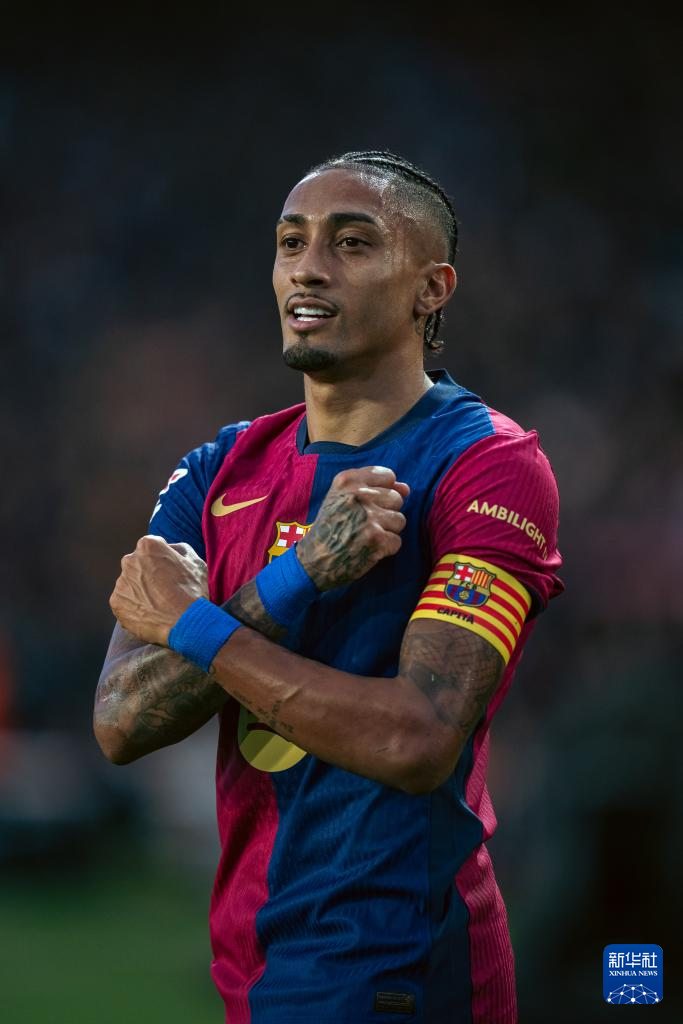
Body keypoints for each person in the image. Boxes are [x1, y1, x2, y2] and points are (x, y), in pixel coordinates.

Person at [95, 150, 563, 1024]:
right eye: (290, 242)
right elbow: (121, 721)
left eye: (352, 243)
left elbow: (416, 739)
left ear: (431, 288)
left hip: (399, 965)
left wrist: (196, 624)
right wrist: (295, 577)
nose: (307, 268)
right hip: (253, 962)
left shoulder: (486, 465)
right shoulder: (217, 469)